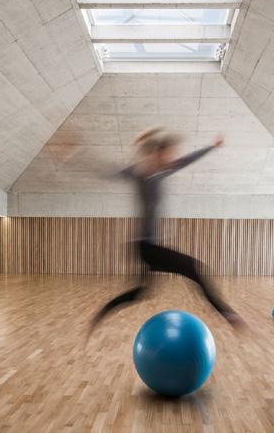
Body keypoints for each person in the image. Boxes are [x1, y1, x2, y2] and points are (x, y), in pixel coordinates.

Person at [89, 127, 244, 332]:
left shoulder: (163, 171)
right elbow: (108, 172)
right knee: (192, 267)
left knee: (141, 292)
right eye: (170, 153)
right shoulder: (139, 173)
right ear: (158, 153)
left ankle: (102, 313)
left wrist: (212, 147)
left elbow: (188, 160)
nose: (173, 157)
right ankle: (227, 314)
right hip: (145, 247)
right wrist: (74, 156)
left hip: (149, 245)